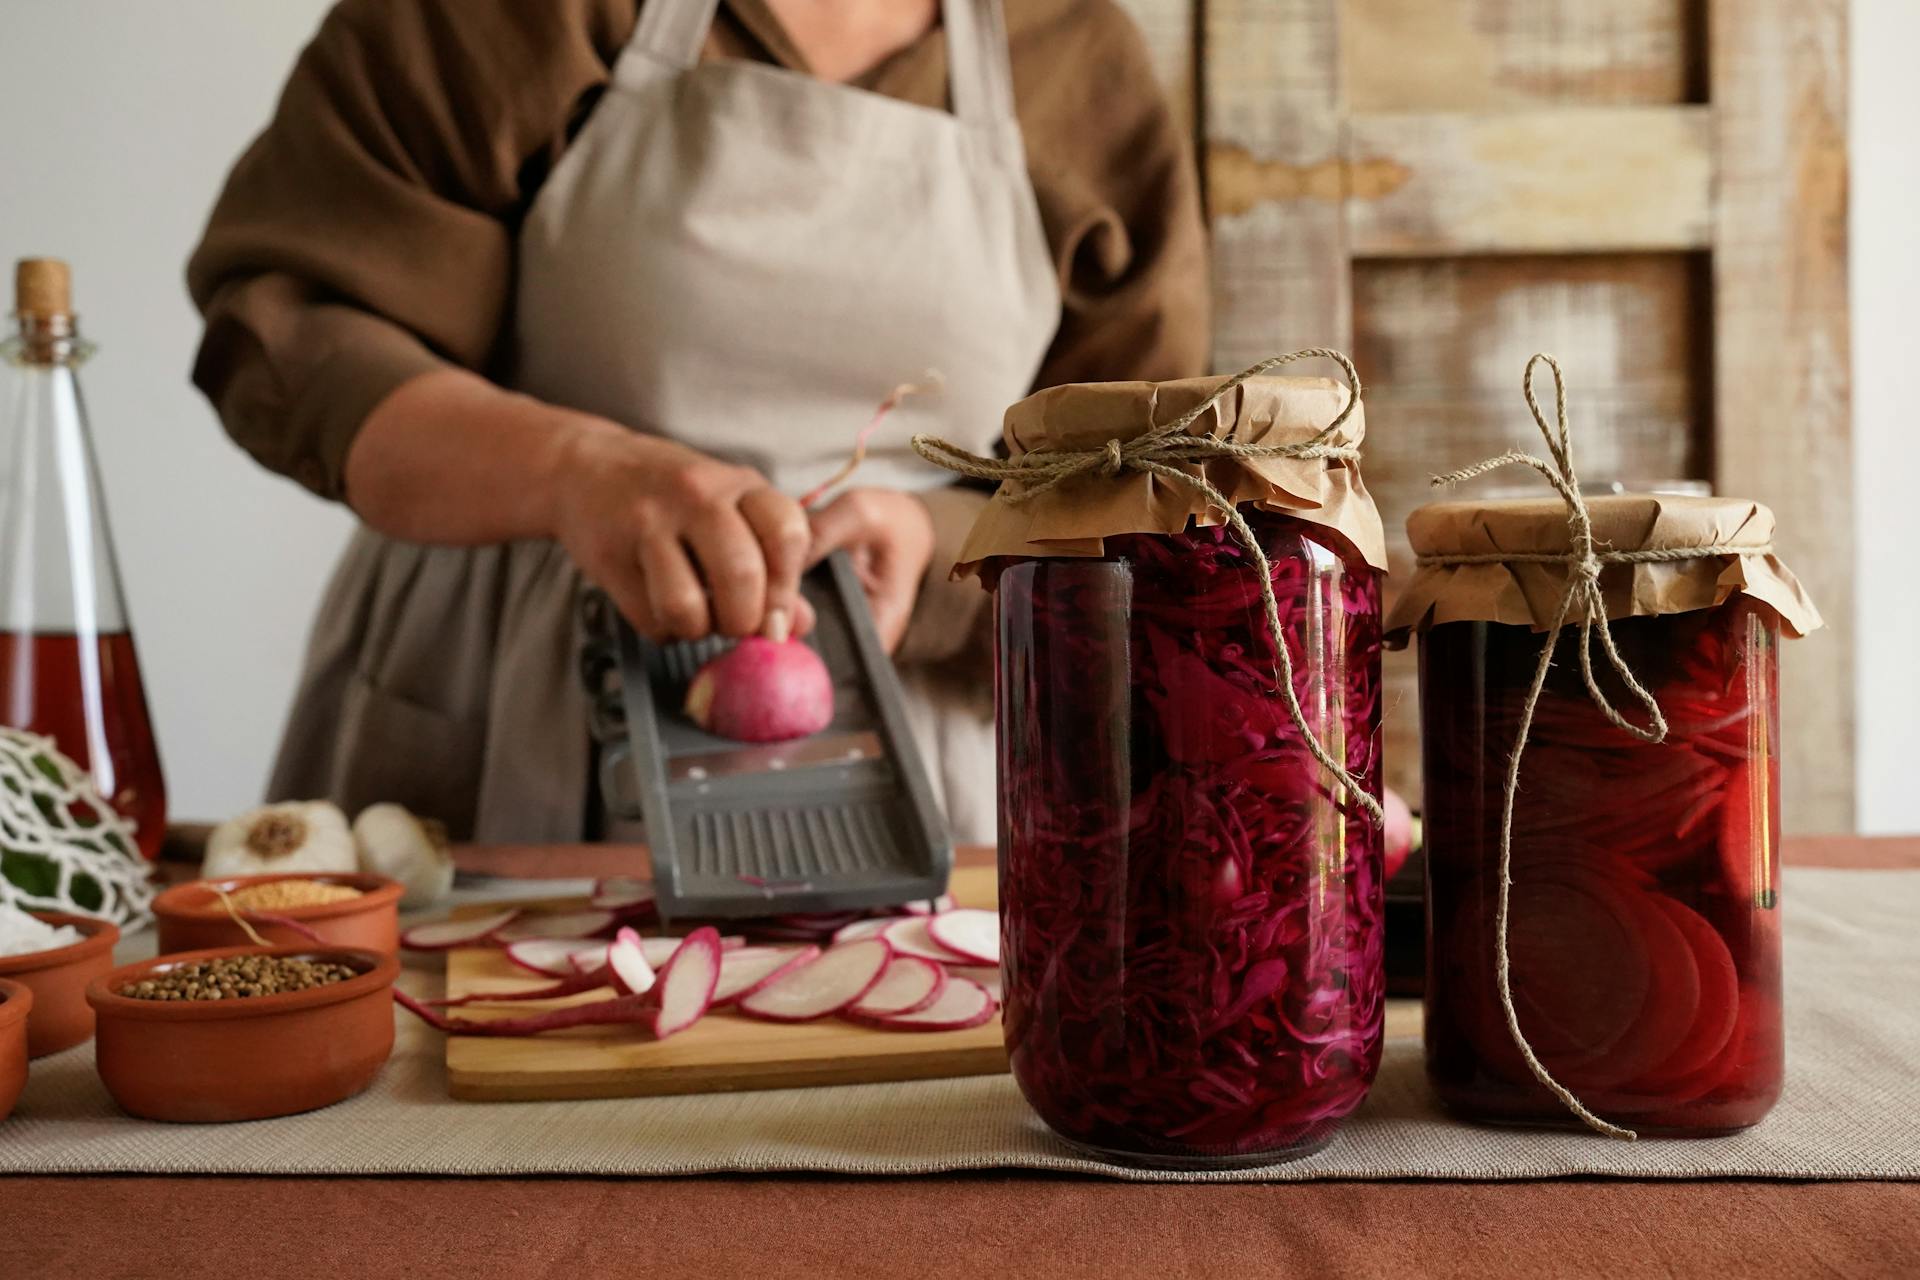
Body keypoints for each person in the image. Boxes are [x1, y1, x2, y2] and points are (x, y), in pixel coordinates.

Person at [188, 0, 1208, 846]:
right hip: (504, 708)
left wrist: (943, 547)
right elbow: (292, 327)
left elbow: (1142, 483)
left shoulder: (1077, 51)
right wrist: (573, 469)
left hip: (923, 748)